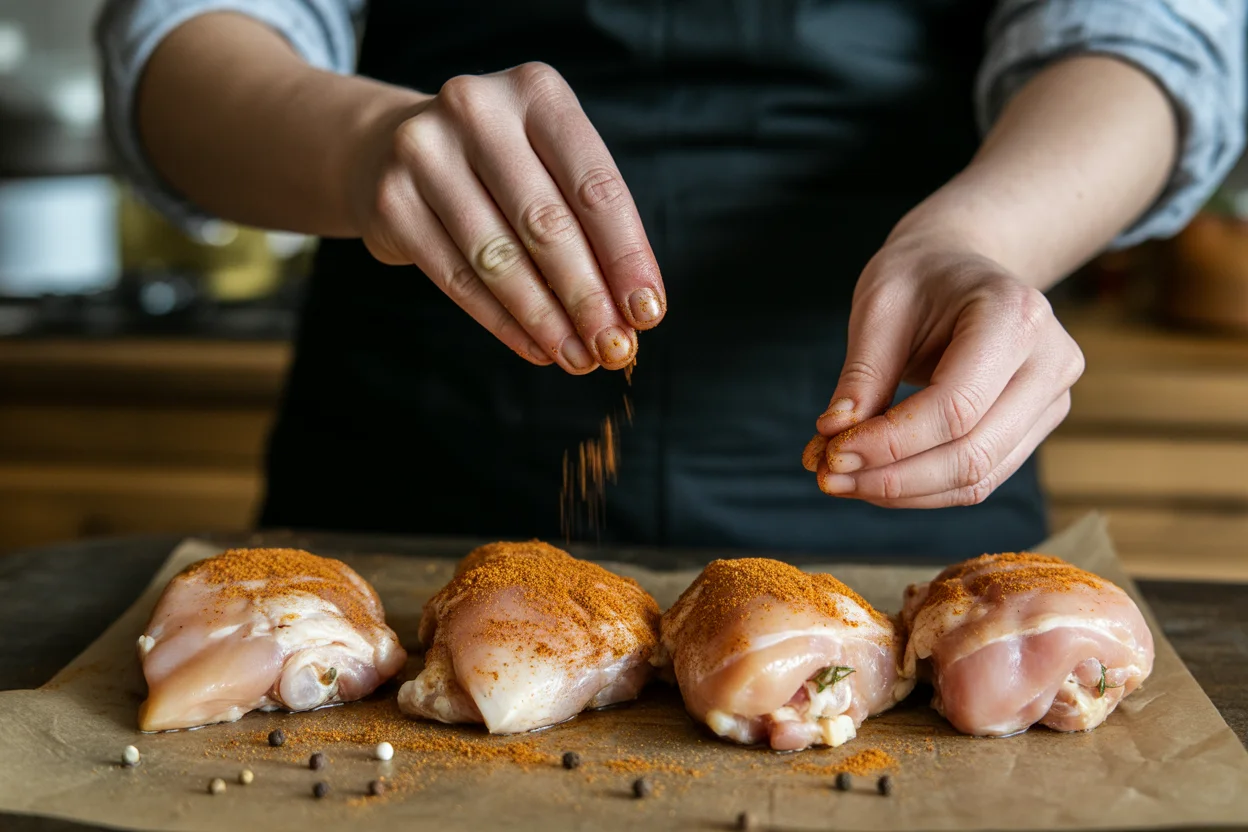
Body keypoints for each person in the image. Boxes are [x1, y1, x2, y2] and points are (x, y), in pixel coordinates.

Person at [96, 1, 1244, 559]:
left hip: (900, 470)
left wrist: (986, 238)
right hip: (410, 486)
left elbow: (1148, 40)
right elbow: (181, 42)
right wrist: (360, 149)